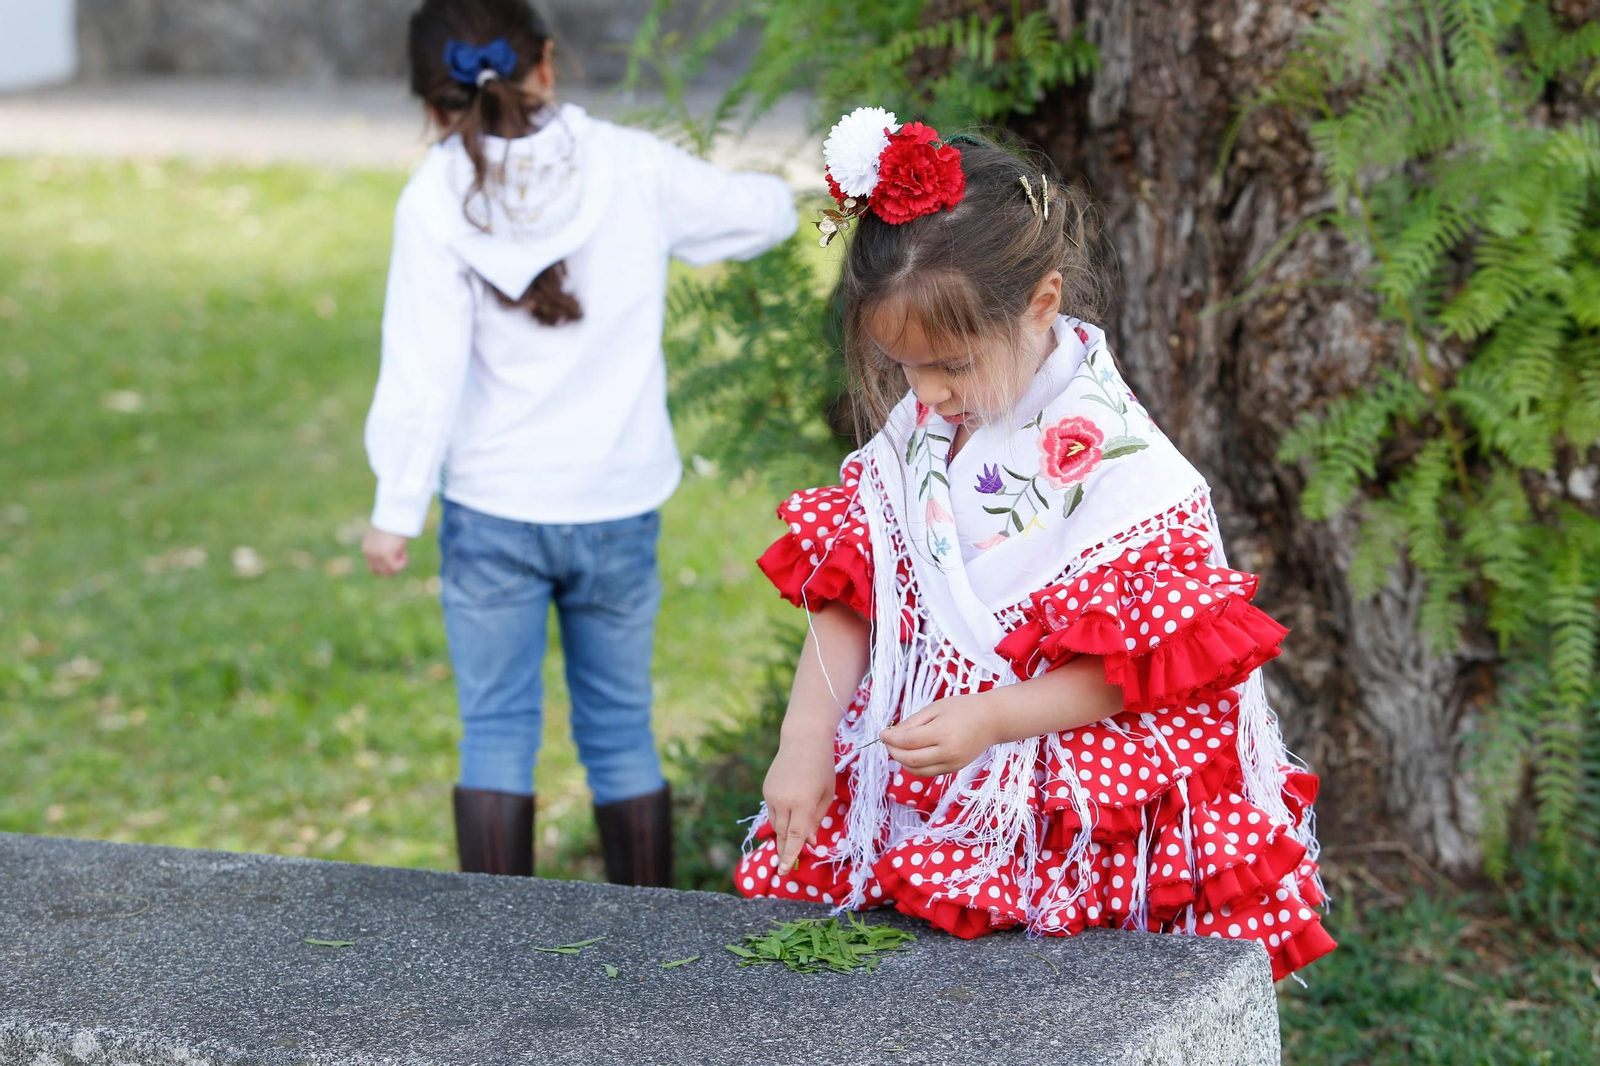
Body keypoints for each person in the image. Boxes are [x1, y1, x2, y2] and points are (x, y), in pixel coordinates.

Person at [736, 108, 1335, 980]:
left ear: (1042, 303)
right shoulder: (920, 433)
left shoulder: (1126, 472)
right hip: (930, 786)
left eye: (952, 365)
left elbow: (1135, 671)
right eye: (906, 367)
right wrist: (805, 738)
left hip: (1069, 812)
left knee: (1053, 1001)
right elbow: (857, 593)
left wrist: (991, 717)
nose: (930, 393)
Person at [361, 0, 798, 884]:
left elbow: (422, 370)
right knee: (620, 729)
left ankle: (496, 947)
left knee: (494, 729)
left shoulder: (434, 198)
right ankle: (649, 949)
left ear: (429, 99)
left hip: (494, 510)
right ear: (547, 65)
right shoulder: (630, 166)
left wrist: (396, 508)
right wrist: (805, 186)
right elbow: (761, 217)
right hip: (617, 505)